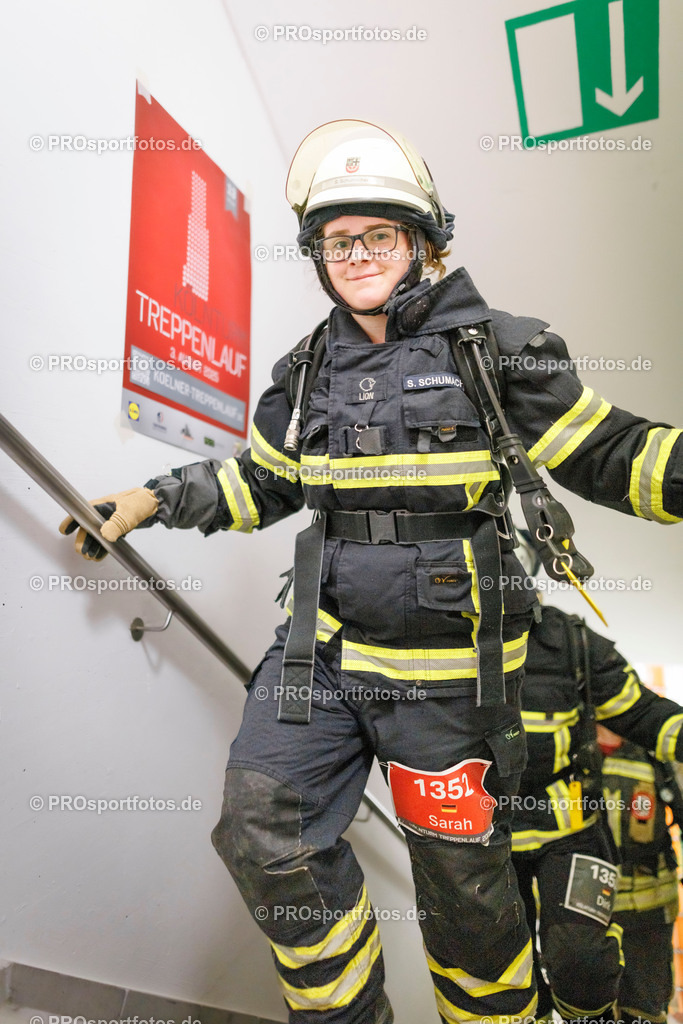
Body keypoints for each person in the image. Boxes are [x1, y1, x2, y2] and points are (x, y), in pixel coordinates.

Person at [60, 120, 683, 1024]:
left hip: (449, 684)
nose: (355, 255)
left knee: (469, 907)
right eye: (336, 240)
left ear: (425, 242)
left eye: (378, 236)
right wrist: (152, 499)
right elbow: (261, 480)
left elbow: (611, 451)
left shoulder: (495, 346)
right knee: (262, 829)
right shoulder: (304, 373)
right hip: (322, 660)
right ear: (318, 255)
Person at [600, 725, 682, 1024]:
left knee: (645, 1008)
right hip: (588, 915)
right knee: (590, 1008)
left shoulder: (656, 750)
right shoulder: (567, 747)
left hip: (649, 913)